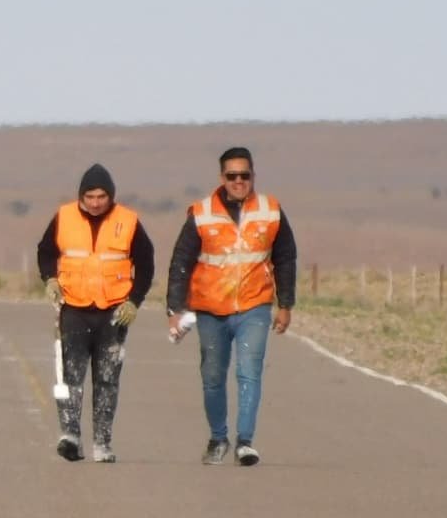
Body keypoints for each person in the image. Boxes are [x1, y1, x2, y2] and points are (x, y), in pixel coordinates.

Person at [166, 146, 297, 466]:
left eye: (244, 175)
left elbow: (285, 258)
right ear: (221, 177)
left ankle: (245, 442)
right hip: (210, 309)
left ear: (253, 176)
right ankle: (218, 437)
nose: (239, 181)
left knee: (249, 371)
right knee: (212, 375)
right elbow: (181, 262)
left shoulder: (271, 210)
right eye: (232, 176)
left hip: (254, 306)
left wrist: (285, 304)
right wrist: (175, 310)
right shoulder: (201, 213)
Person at [36, 163, 155, 463]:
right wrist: (50, 278)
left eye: (102, 196)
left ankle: (102, 443)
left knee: (106, 379)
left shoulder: (128, 221)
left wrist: (134, 301)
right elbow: (45, 251)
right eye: (89, 196)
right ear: (81, 196)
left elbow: (146, 263)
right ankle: (70, 436)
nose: (95, 202)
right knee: (69, 376)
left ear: (110, 196)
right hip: (73, 308)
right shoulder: (63, 217)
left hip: (113, 312)